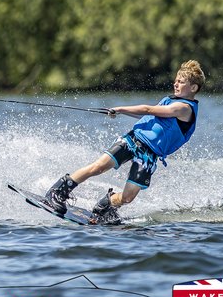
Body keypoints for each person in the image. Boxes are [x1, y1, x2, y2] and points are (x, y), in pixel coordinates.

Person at [44, 60, 205, 224]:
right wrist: (121, 112)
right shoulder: (169, 100)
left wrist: (120, 108)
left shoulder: (184, 108)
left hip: (149, 155)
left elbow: (148, 109)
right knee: (98, 167)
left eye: (181, 82)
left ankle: (106, 206)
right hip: (133, 140)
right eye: (176, 80)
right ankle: (58, 192)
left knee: (128, 197)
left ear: (193, 88)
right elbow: (147, 114)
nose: (175, 84)